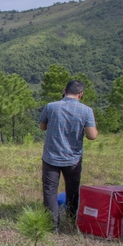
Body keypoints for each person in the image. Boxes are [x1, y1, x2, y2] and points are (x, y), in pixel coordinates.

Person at [39, 80, 98, 229]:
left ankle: (53, 226)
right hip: (73, 159)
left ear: (64, 90)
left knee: (50, 190)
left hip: (51, 157)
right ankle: (72, 220)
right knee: (72, 189)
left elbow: (42, 126)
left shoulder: (51, 107)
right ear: (81, 94)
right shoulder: (86, 110)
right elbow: (92, 136)